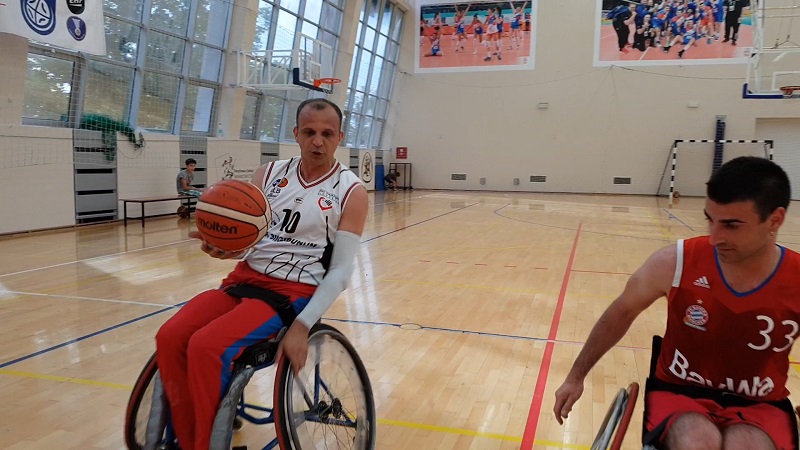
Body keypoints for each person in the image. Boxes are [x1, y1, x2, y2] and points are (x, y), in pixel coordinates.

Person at [155, 98, 369, 450]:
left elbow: (342, 272)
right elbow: (251, 244)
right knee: (170, 335)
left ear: (340, 137)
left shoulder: (351, 192)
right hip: (243, 280)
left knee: (207, 345)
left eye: (327, 134)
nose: (318, 141)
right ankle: (188, 435)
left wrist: (302, 326)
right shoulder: (268, 175)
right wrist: (227, 250)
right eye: (310, 132)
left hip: (293, 293)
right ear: (296, 134)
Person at [554, 156, 800, 450]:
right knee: (697, 439)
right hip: (680, 391)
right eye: (710, 220)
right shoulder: (675, 262)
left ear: (775, 220)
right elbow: (622, 311)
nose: (714, 238)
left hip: (761, 403)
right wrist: (576, 377)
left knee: (746, 444)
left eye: (731, 225)